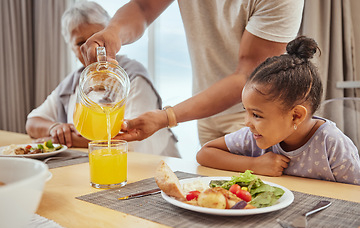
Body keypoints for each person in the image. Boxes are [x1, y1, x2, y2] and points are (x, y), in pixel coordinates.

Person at [80, 0, 305, 146]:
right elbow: (143, 7)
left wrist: (166, 117)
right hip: (206, 110)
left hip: (256, 117)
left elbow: (248, 76)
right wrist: (113, 31)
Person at [196, 36, 360, 185]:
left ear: (296, 116)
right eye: (245, 110)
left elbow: (354, 195)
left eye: (256, 115)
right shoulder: (255, 136)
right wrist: (254, 165)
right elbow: (205, 153)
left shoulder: (332, 144)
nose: (247, 122)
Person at [25, 1, 180, 158]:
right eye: (80, 43)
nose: (90, 47)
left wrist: (63, 140)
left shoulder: (132, 78)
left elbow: (131, 142)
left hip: (151, 166)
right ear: (71, 48)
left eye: (96, 38)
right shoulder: (73, 82)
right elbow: (32, 122)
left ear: (111, 37)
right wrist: (55, 128)